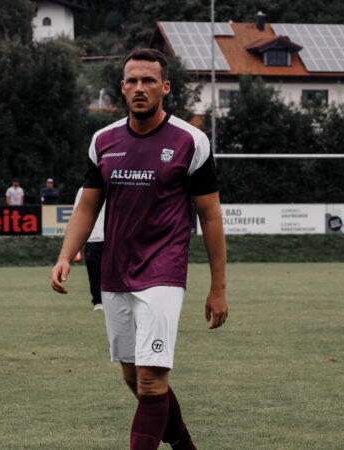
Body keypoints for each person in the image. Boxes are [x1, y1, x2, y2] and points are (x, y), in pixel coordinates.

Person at [50, 48, 227, 450]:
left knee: (151, 379)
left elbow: (211, 218)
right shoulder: (103, 141)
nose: (139, 88)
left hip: (163, 273)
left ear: (165, 87)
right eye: (132, 81)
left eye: (148, 80)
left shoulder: (190, 141)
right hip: (114, 273)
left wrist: (218, 287)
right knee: (133, 378)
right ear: (122, 88)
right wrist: (66, 256)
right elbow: (88, 206)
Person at [73, 187, 105, 311]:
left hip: (112, 238)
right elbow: (78, 212)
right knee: (94, 272)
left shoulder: (116, 184)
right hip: (93, 237)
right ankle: (98, 301)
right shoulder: (84, 190)